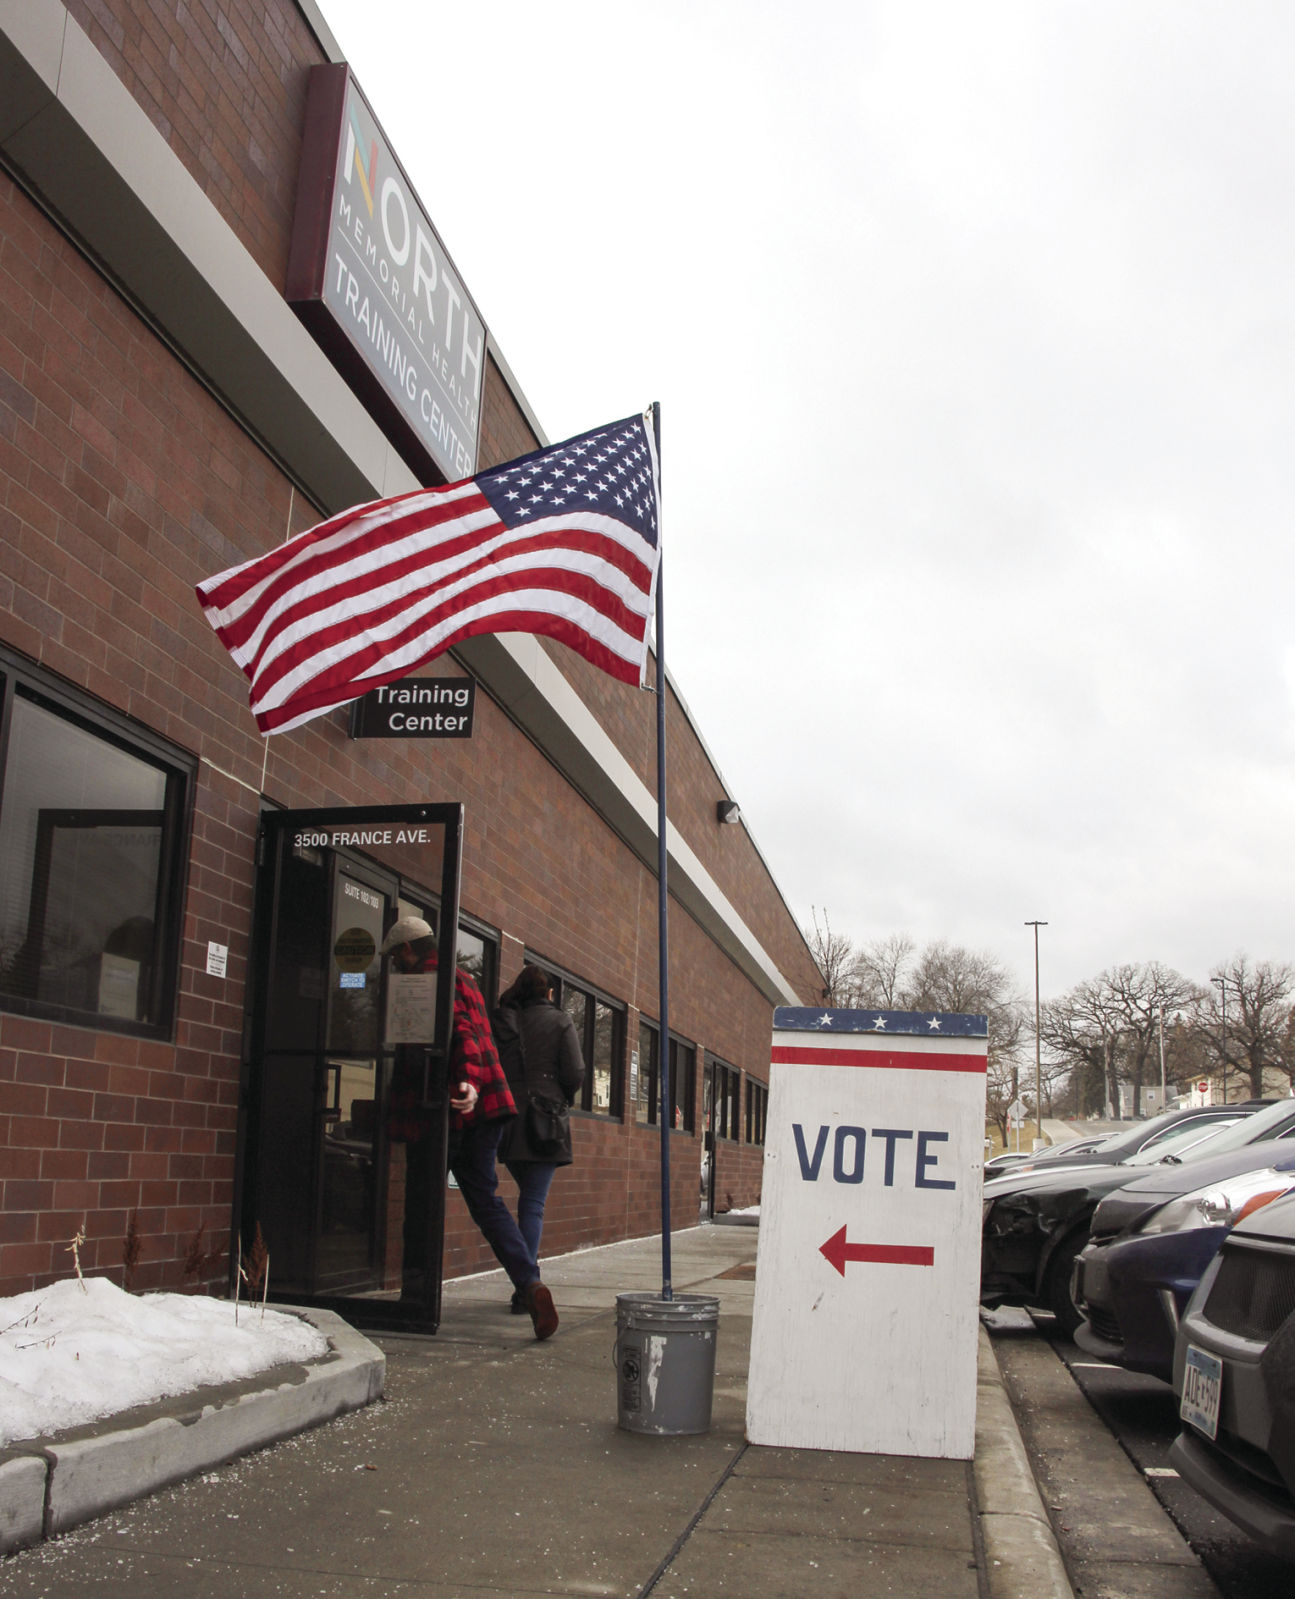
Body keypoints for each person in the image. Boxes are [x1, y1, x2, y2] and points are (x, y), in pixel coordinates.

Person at [380, 917, 558, 1340]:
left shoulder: (428, 978)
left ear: (407, 950)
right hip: (485, 1111)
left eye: (394, 958)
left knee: (421, 1202)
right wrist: (475, 1084)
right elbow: (474, 1034)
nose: (394, 967)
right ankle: (530, 1284)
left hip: (449, 1108)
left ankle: (415, 1297)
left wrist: (467, 1082)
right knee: (487, 1203)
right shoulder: (465, 977)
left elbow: (460, 1035)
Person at [493, 964, 585, 1312]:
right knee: (532, 1205)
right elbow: (575, 1072)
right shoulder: (560, 1021)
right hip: (545, 1121)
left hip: (508, 1119)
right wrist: (558, 1094)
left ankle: (525, 1282)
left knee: (526, 1202)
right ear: (548, 993)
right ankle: (526, 1287)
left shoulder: (504, 1020)